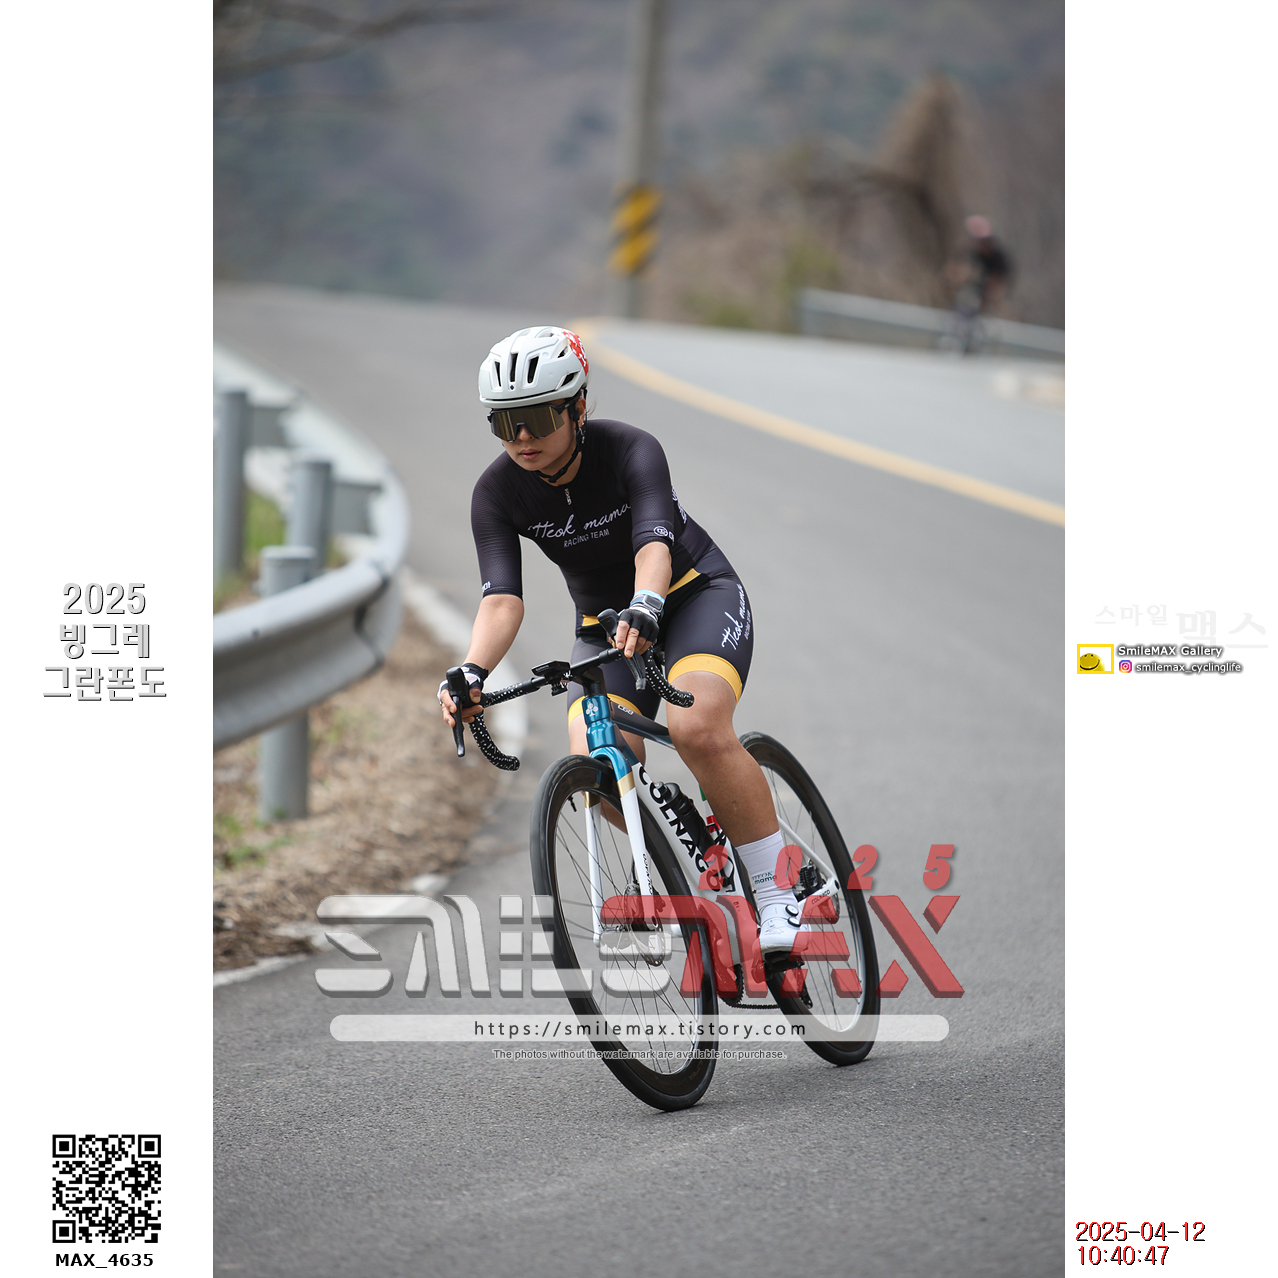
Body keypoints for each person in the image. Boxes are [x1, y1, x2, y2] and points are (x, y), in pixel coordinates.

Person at [438, 325, 804, 952]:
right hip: (604, 627)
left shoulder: (632, 449)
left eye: (535, 418)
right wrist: (471, 671)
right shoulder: (495, 492)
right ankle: (688, 846)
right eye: (503, 423)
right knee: (600, 759)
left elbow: (653, 545)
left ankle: (778, 893)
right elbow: (500, 600)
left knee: (697, 727)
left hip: (690, 595)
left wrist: (647, 604)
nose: (520, 437)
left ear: (577, 407)